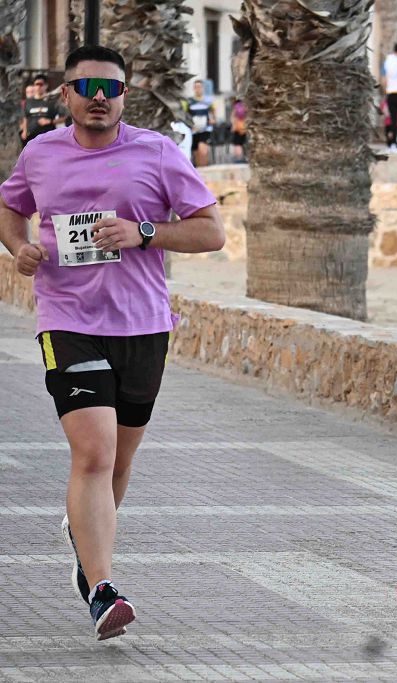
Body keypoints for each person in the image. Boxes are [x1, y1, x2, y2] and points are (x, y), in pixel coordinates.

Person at [0, 45, 225, 640]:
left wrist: (143, 231)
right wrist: (17, 246)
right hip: (66, 320)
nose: (100, 97)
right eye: (87, 86)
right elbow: (8, 205)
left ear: (124, 95)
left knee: (119, 461)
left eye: (112, 88)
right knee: (94, 453)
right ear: (66, 94)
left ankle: (86, 542)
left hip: (143, 326)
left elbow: (212, 231)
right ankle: (102, 587)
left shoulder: (155, 151)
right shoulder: (40, 153)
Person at [21, 74, 64, 147]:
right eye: (36, 84)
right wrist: (24, 131)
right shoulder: (28, 102)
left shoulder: (52, 102)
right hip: (31, 138)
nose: (38, 86)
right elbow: (25, 117)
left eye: (40, 84)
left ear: (46, 86)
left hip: (47, 138)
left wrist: (50, 121)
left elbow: (64, 117)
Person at [187, 79, 216, 167]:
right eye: (196, 87)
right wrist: (189, 125)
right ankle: (200, 173)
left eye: (199, 87)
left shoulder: (208, 100)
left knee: (202, 150)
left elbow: (213, 111)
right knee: (196, 153)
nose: (198, 89)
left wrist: (213, 119)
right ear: (193, 88)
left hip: (206, 129)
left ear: (203, 88)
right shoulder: (189, 101)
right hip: (194, 130)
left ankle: (205, 170)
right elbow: (186, 115)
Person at [229, 96, 247, 163]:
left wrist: (233, 126)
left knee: (237, 144)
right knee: (241, 143)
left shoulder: (235, 107)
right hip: (244, 127)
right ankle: (243, 157)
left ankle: (239, 158)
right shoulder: (244, 106)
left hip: (237, 128)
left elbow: (233, 117)